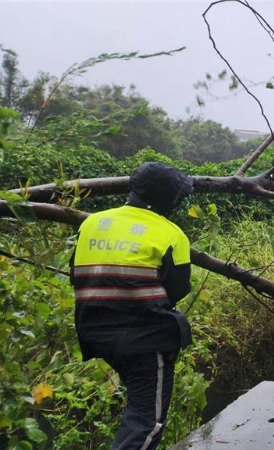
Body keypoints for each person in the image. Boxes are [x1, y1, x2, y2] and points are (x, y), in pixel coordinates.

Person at [70, 161, 195, 449]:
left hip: (94, 334)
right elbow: (178, 289)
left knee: (137, 408)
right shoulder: (172, 234)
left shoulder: (91, 223)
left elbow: (75, 273)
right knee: (146, 420)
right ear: (170, 198)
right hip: (145, 342)